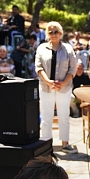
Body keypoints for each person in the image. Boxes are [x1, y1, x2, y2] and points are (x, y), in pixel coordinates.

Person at [35, 22, 77, 153]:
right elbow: (38, 67)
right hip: (46, 87)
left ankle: (65, 143)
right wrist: (48, 82)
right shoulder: (41, 48)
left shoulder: (68, 49)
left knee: (64, 115)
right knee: (46, 116)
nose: (53, 35)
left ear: (60, 33)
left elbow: (73, 68)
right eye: (51, 32)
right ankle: (46, 145)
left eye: (56, 32)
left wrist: (63, 83)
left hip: (63, 87)